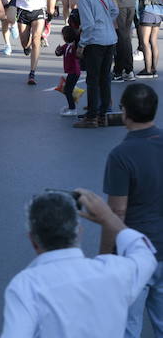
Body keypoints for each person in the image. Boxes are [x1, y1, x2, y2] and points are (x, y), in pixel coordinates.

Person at [0, 189, 157, 338]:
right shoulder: (116, 271)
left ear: (33, 240)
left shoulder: (26, 286)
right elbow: (145, 255)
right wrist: (109, 218)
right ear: (79, 231)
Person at [102, 83, 163, 337]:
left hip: (136, 254)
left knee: (128, 325)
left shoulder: (121, 155)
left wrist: (104, 257)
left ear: (124, 111)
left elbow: (117, 213)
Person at [69, 0, 119, 129]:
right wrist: (104, 22)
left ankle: (91, 117)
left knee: (93, 79)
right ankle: (103, 115)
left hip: (95, 42)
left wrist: (82, 45)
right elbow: (114, 10)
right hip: (110, 39)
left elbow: (89, 25)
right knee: (105, 78)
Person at [4, 0, 56, 85]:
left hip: (38, 9)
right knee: (24, 42)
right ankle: (26, 48)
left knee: (36, 39)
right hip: (23, 10)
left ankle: (32, 73)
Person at [55, 25, 83, 116]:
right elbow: (60, 52)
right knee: (68, 89)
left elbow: (77, 56)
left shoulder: (74, 47)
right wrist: (58, 51)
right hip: (70, 71)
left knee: (68, 90)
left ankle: (72, 108)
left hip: (74, 71)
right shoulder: (66, 46)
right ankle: (71, 105)